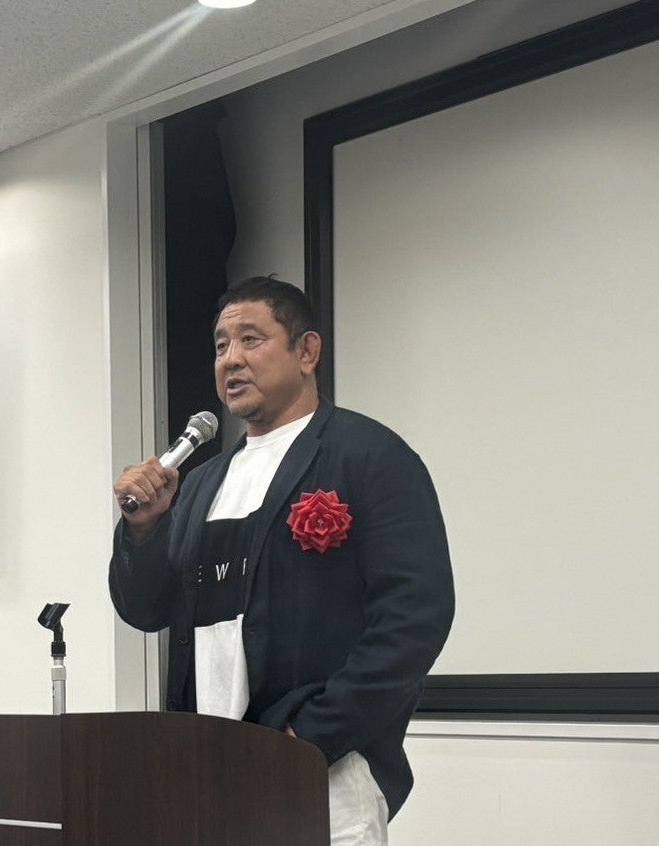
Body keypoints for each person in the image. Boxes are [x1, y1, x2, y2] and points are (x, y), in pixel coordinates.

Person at [110, 276, 454, 844]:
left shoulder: (369, 456)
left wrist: (309, 737)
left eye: (251, 339)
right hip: (210, 775)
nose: (231, 359)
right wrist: (142, 530)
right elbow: (146, 611)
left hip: (323, 771)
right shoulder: (202, 484)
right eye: (221, 345)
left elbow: (415, 618)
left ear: (307, 352)